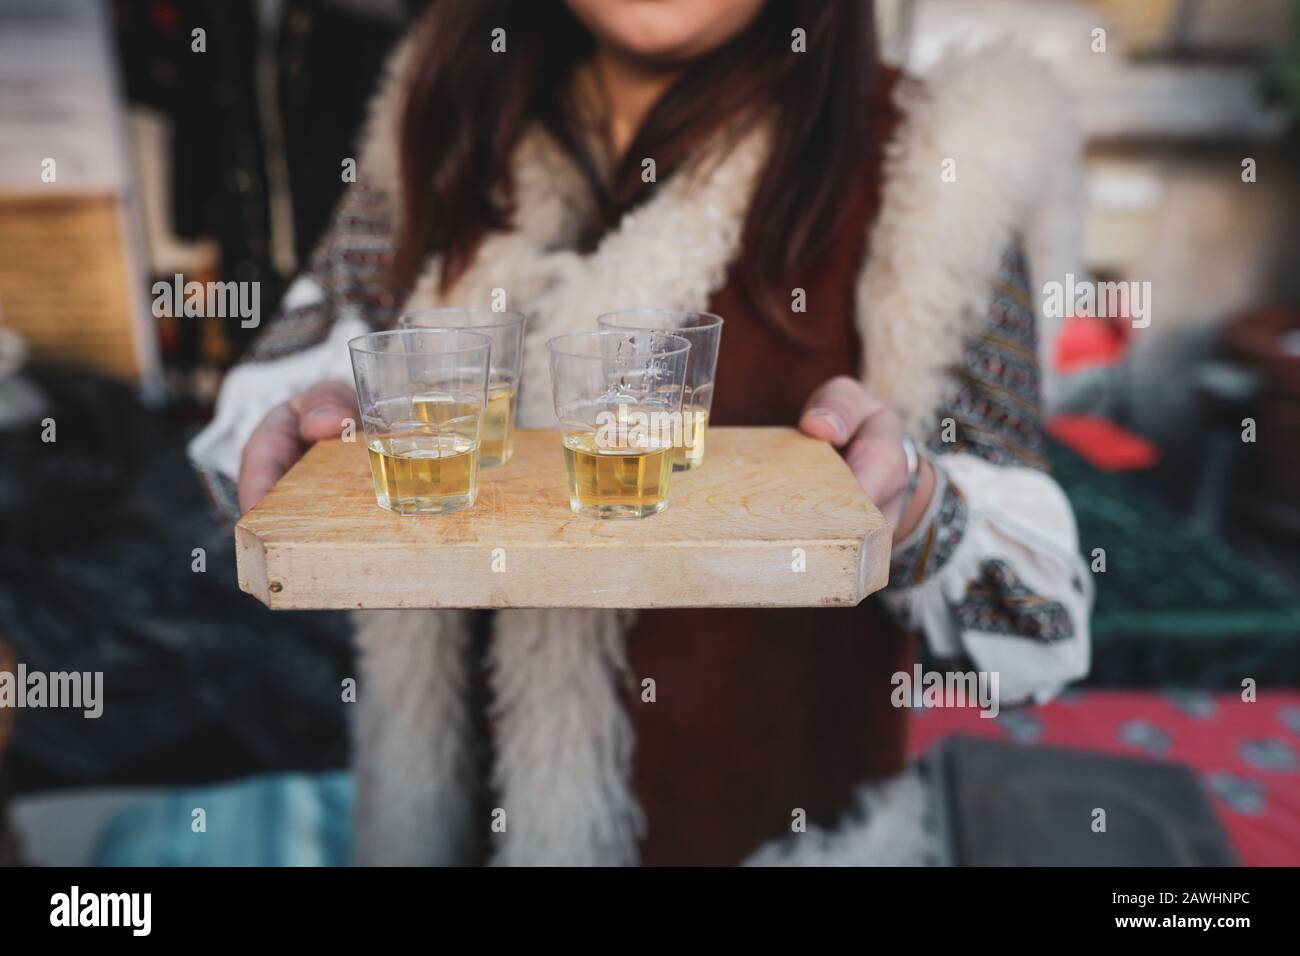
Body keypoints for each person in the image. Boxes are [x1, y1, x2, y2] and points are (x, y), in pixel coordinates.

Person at [191, 0, 1091, 865]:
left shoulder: (932, 163)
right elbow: (289, 383)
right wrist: (297, 446)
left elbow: (1043, 622)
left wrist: (921, 507)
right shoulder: (446, 122)